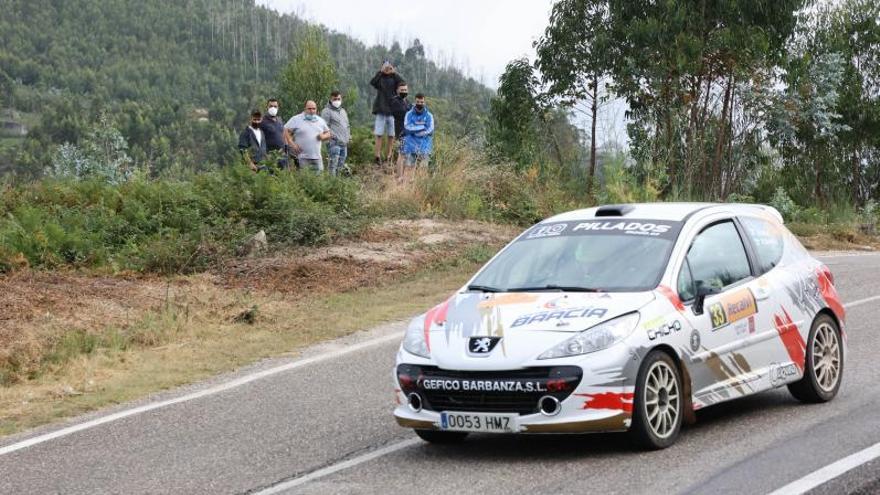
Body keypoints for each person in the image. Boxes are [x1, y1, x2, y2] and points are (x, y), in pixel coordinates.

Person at [370, 61, 405, 165]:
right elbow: (373, 82)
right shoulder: (380, 78)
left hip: (392, 111)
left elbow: (403, 84)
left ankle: (389, 156)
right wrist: (380, 72)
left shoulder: (394, 78)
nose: (387, 69)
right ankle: (377, 156)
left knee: (391, 135)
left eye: (389, 67)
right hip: (381, 110)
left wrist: (394, 73)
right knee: (379, 134)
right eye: (385, 67)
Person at [284, 100, 331, 172]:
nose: (311, 111)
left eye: (314, 109)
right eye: (309, 109)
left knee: (319, 181)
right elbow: (286, 130)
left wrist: (323, 136)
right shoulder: (296, 119)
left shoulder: (320, 120)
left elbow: (328, 133)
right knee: (303, 180)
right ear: (305, 109)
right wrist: (292, 144)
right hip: (302, 157)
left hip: (317, 157)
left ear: (316, 109)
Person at [401, 94, 434, 179]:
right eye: (418, 102)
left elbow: (430, 129)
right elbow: (407, 127)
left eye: (422, 102)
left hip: (425, 146)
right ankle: (406, 188)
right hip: (410, 145)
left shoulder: (429, 115)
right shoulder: (408, 114)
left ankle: (420, 189)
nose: (420, 103)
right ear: (415, 102)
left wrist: (415, 130)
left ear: (424, 102)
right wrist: (422, 127)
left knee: (423, 169)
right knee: (408, 167)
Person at [320, 91, 351, 176]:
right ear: (330, 99)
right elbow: (324, 126)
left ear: (341, 99)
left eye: (338, 99)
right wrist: (332, 137)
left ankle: (338, 185)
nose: (337, 101)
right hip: (334, 143)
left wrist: (349, 137)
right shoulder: (326, 111)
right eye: (335, 99)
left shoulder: (343, 111)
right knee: (333, 166)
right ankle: (332, 185)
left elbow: (347, 125)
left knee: (340, 167)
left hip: (344, 144)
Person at [259, 98, 291, 169]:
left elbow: (283, 134)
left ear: (278, 107)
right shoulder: (262, 121)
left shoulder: (279, 120)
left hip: (282, 155)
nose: (273, 108)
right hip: (270, 156)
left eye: (275, 106)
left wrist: (287, 149)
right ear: (267, 107)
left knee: (283, 177)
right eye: (271, 106)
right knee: (271, 177)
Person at [390, 82, 411, 177]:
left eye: (405, 90)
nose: (404, 91)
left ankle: (404, 176)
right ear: (398, 91)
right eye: (402, 90)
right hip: (401, 132)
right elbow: (403, 113)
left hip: (409, 132)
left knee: (408, 155)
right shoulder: (395, 101)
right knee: (401, 155)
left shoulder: (407, 102)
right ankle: (399, 176)